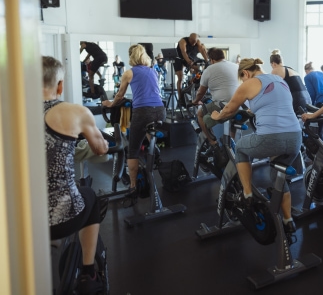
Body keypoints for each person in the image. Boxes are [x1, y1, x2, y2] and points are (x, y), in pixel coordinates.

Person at [210, 58, 301, 234]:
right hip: (295, 138)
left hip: (272, 137)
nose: (243, 82)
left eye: (242, 79)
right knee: (278, 177)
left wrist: (215, 116)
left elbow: (228, 110)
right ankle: (288, 219)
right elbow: (273, 104)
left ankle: (247, 194)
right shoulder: (280, 80)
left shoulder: (250, 82)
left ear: (246, 73)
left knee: (241, 148)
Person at [42, 56, 109, 295]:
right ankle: (88, 273)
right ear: (60, 86)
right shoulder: (74, 111)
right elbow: (101, 149)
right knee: (90, 196)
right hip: (64, 216)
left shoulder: (14, 116)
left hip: (24, 222)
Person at [102, 44, 165, 205]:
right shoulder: (152, 70)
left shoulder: (129, 72)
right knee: (148, 129)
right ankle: (154, 149)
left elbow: (119, 94)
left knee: (133, 149)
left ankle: (133, 186)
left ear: (131, 56)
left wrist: (110, 104)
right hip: (160, 109)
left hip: (143, 111)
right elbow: (150, 90)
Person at [193, 47, 239, 162]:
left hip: (223, 105)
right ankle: (231, 144)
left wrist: (195, 101)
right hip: (240, 105)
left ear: (211, 59)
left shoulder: (209, 69)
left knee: (200, 114)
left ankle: (213, 142)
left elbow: (201, 92)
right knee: (234, 118)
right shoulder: (235, 66)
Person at [269, 49, 311, 113]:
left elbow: (272, 88)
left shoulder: (276, 70)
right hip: (307, 99)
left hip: (298, 99)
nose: (272, 68)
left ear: (273, 64)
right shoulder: (291, 69)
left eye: (271, 66)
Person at [303, 62, 323, 142]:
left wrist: (311, 107)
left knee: (320, 129)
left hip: (322, 101)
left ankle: (322, 152)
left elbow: (312, 94)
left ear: (306, 70)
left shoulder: (307, 77)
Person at [175, 33, 209, 105]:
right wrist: (188, 61)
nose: (194, 44)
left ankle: (192, 82)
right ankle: (180, 97)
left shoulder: (197, 42)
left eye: (195, 42)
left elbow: (202, 51)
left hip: (190, 56)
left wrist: (207, 61)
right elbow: (183, 52)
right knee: (180, 77)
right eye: (192, 42)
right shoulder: (183, 41)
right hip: (179, 58)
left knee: (197, 69)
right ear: (189, 39)